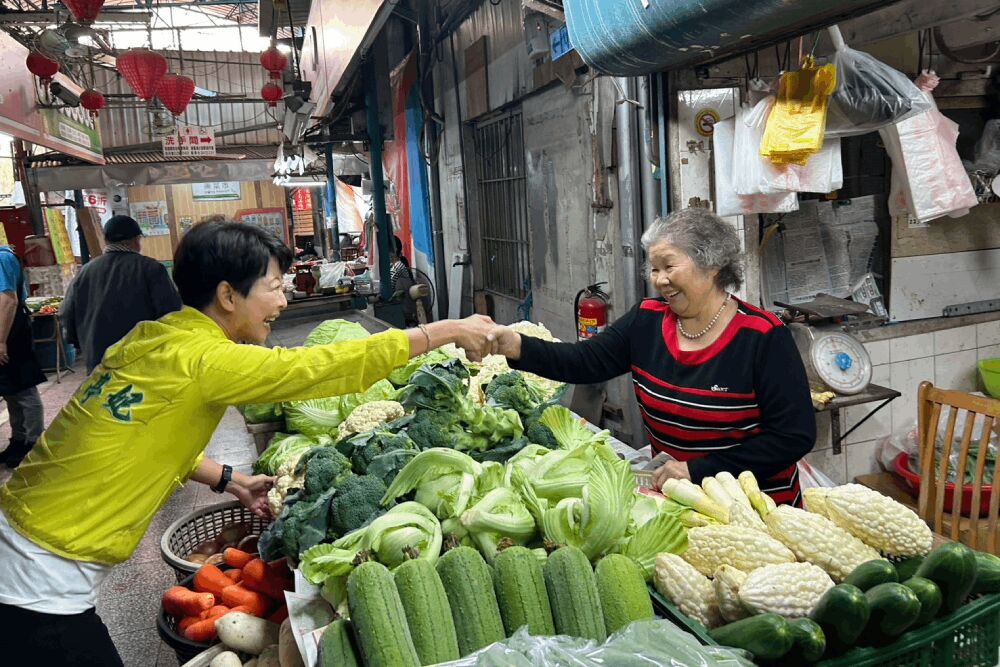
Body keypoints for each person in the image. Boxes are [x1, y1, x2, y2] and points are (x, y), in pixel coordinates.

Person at [0, 220, 497, 664]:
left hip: (25, 531)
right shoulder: (206, 359)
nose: (283, 301)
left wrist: (229, 479)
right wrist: (444, 331)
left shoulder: (155, 338)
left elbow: (142, 435)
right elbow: (315, 368)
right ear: (227, 295)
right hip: (39, 571)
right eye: (274, 287)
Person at [491, 208, 816, 506]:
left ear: (712, 265)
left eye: (669, 266)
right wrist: (512, 344)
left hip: (758, 508)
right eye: (654, 269)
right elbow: (582, 361)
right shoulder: (646, 321)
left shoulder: (763, 337)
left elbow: (792, 437)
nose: (659, 280)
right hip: (679, 503)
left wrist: (698, 470)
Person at [61, 215, 183, 373]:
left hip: (99, 362)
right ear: (136, 240)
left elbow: (67, 314)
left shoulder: (85, 272)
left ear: (106, 241)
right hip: (141, 361)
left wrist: (85, 344)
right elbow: (171, 314)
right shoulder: (151, 269)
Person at [0, 244, 45, 469]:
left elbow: (9, 300)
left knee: (25, 391)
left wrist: (1, 341)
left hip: (12, 334)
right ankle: (18, 440)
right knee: (11, 391)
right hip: (6, 333)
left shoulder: (2, 258)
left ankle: (34, 443)